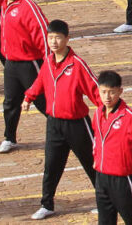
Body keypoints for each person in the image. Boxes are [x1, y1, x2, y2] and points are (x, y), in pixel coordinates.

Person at [23, 20, 100, 220]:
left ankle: (104, 200)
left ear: (67, 38)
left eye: (58, 37)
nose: (54, 42)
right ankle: (46, 204)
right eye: (50, 38)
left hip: (77, 124)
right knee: (51, 165)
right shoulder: (48, 61)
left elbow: (94, 89)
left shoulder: (77, 64)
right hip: (54, 124)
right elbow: (40, 81)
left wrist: (107, 111)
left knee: (93, 163)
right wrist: (29, 97)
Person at [92, 70, 132, 225]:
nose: (107, 97)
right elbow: (96, 139)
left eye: (112, 92)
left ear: (120, 91)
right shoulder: (97, 114)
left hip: (122, 181)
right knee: (105, 221)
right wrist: (96, 158)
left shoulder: (130, 118)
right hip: (101, 179)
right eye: (104, 92)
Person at [0, 0, 49, 154]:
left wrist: (49, 60)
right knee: (10, 102)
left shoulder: (28, 7)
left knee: (43, 102)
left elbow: (42, 33)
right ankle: (9, 137)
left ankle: (64, 131)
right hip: (11, 63)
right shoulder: (5, 5)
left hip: (30, 63)